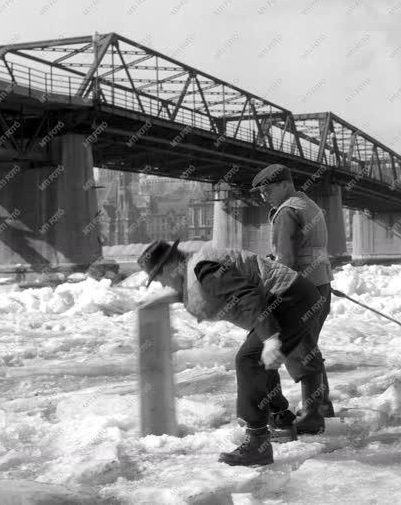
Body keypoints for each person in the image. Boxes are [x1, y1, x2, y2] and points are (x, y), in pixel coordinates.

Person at [137, 239, 325, 467]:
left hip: (290, 300)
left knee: (248, 360)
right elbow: (211, 291)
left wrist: (270, 338)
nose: (162, 284)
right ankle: (281, 420)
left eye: (159, 279)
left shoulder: (205, 269)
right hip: (293, 296)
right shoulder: (198, 267)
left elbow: (248, 295)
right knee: (258, 359)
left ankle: (257, 444)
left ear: (168, 268)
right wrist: (173, 297)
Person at [250, 164, 334, 436]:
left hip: (299, 291)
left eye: (267, 190)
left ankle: (311, 416)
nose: (264, 196)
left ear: (285, 185)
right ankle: (322, 405)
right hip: (320, 286)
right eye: (261, 192)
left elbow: (286, 261)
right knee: (310, 346)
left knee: (300, 351)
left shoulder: (287, 212)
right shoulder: (308, 205)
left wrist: (271, 293)